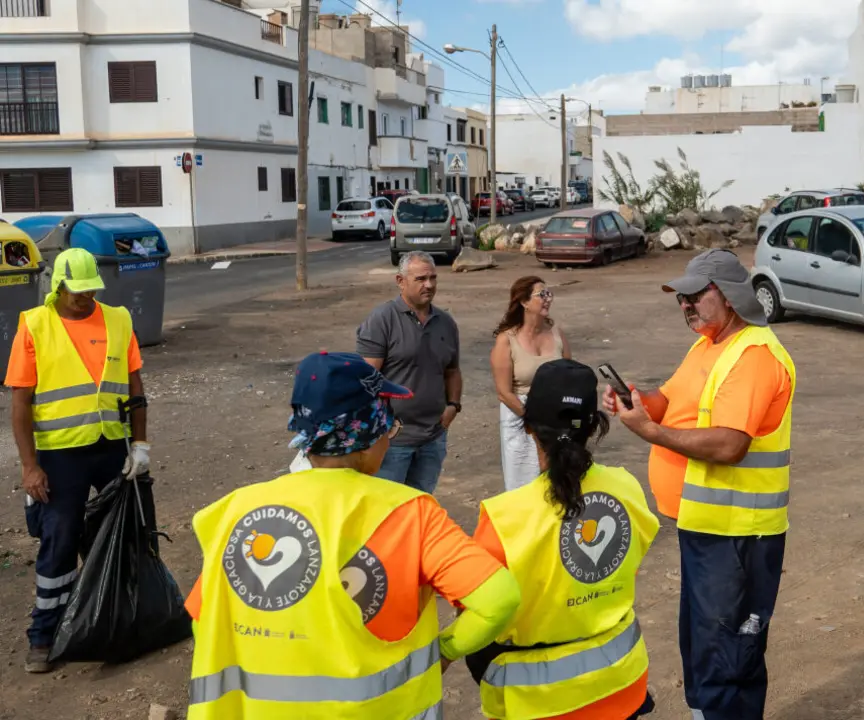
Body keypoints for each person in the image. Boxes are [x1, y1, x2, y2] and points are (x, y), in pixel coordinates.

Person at [184, 352, 521, 718]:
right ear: (368, 435)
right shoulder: (410, 513)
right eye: (389, 429)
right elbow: (498, 600)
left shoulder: (236, 510)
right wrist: (446, 650)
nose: (390, 440)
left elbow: (204, 618)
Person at [604, 249, 795, 720]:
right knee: (704, 642)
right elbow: (670, 402)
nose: (686, 305)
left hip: (738, 534)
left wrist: (650, 432)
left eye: (694, 295)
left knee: (728, 652)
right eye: (681, 298)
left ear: (728, 295)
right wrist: (638, 400)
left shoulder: (753, 356)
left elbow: (730, 445)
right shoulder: (708, 346)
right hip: (706, 526)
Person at [470, 359, 659, 719]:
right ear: (594, 426)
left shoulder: (503, 517)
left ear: (527, 426)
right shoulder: (626, 487)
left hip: (537, 702)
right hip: (622, 684)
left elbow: (479, 616)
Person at [5, 249, 149, 674]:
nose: (86, 297)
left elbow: (135, 386)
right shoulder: (35, 325)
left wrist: (141, 445)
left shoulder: (118, 320)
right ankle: (44, 635)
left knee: (128, 533)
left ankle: (127, 621)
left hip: (113, 448)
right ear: (58, 286)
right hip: (60, 455)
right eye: (77, 291)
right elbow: (20, 402)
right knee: (60, 539)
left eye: (91, 290)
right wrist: (29, 466)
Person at [357, 251, 462, 493]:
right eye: (421, 279)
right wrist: (382, 426)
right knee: (388, 507)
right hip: (392, 441)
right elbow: (366, 381)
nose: (429, 285)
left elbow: (452, 370)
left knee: (420, 507)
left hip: (433, 437)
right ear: (400, 281)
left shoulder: (445, 323)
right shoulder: (382, 320)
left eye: (433, 278)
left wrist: (453, 406)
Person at [490, 276, 572, 491]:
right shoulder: (507, 340)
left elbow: (571, 375)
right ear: (524, 302)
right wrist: (533, 420)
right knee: (523, 486)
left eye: (549, 293)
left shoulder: (557, 334)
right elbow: (504, 392)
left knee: (558, 484)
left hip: (556, 415)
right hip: (520, 417)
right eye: (541, 295)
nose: (548, 299)